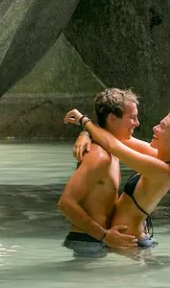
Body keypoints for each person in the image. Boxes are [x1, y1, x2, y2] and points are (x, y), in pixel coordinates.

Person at [64, 107, 170, 248]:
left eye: (162, 127)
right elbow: (118, 138)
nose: (154, 128)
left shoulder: (163, 171)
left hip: (130, 244)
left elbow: (113, 146)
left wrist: (83, 120)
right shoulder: (159, 156)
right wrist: (85, 133)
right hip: (129, 242)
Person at [57, 88, 141, 258]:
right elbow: (65, 203)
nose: (137, 123)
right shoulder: (99, 156)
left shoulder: (112, 150)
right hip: (89, 243)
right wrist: (105, 236)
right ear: (112, 118)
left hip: (96, 242)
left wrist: (86, 131)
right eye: (132, 118)